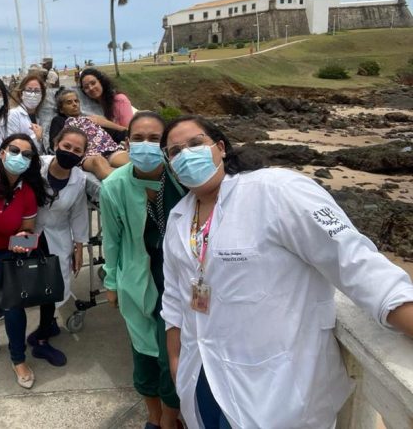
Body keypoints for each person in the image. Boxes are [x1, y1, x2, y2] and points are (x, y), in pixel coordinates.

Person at [160, 115, 413, 429]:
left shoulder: (274, 190)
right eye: (174, 152)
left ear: (221, 147)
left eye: (195, 144)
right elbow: (174, 299)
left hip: (276, 389)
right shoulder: (178, 218)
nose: (185, 155)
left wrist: (402, 308)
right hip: (200, 379)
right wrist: (177, 366)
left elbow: (352, 260)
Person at [100, 112, 186, 429]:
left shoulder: (181, 179)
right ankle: (154, 416)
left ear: (165, 146)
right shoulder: (114, 186)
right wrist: (111, 283)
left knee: (170, 358)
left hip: (178, 283)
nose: (146, 145)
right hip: (136, 278)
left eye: (154, 139)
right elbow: (112, 239)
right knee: (144, 353)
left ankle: (169, 418)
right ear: (126, 143)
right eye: (138, 138)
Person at [0, 134, 51, 389]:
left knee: (13, 309)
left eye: (27, 155)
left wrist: (22, 242)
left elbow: (28, 229)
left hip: (7, 256)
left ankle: (18, 357)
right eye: (14, 150)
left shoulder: (26, 192)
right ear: (2, 152)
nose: (20, 157)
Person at [31, 126, 90, 366]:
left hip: (58, 235)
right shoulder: (36, 166)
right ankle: (40, 340)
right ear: (56, 144)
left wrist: (79, 247)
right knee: (29, 282)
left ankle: (45, 330)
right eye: (66, 146)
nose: (70, 152)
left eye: (77, 150)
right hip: (28, 233)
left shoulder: (80, 179)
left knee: (55, 286)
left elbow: (78, 214)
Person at [49, 89, 128, 180]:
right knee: (98, 161)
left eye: (76, 101)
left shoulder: (91, 120)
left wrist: (105, 123)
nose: (74, 104)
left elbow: (118, 133)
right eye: (69, 102)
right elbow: (54, 143)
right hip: (88, 155)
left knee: (129, 162)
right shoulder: (59, 121)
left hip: (109, 149)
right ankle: (123, 187)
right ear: (61, 110)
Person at [7, 74, 46, 153]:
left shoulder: (40, 116)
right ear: (21, 94)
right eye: (29, 90)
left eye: (37, 91)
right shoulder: (13, 114)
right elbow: (12, 145)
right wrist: (36, 137)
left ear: (42, 95)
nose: (32, 94)